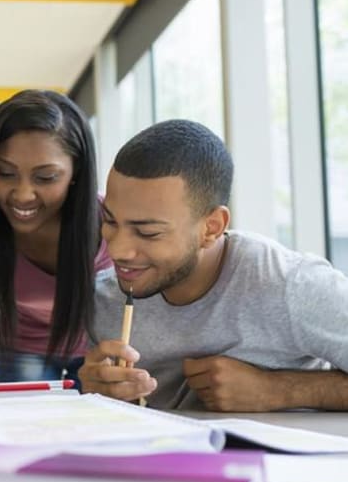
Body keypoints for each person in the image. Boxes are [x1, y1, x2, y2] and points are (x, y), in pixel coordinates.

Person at [80, 119, 348, 411]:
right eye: (110, 221)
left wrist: (279, 391)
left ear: (211, 227)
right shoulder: (103, 303)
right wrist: (96, 397)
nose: (117, 249)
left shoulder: (292, 285)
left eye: (148, 233)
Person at [0, 90, 111, 387]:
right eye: (5, 173)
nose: (22, 194)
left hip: (100, 349)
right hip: (22, 349)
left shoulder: (109, 219)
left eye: (45, 178)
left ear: (76, 171)